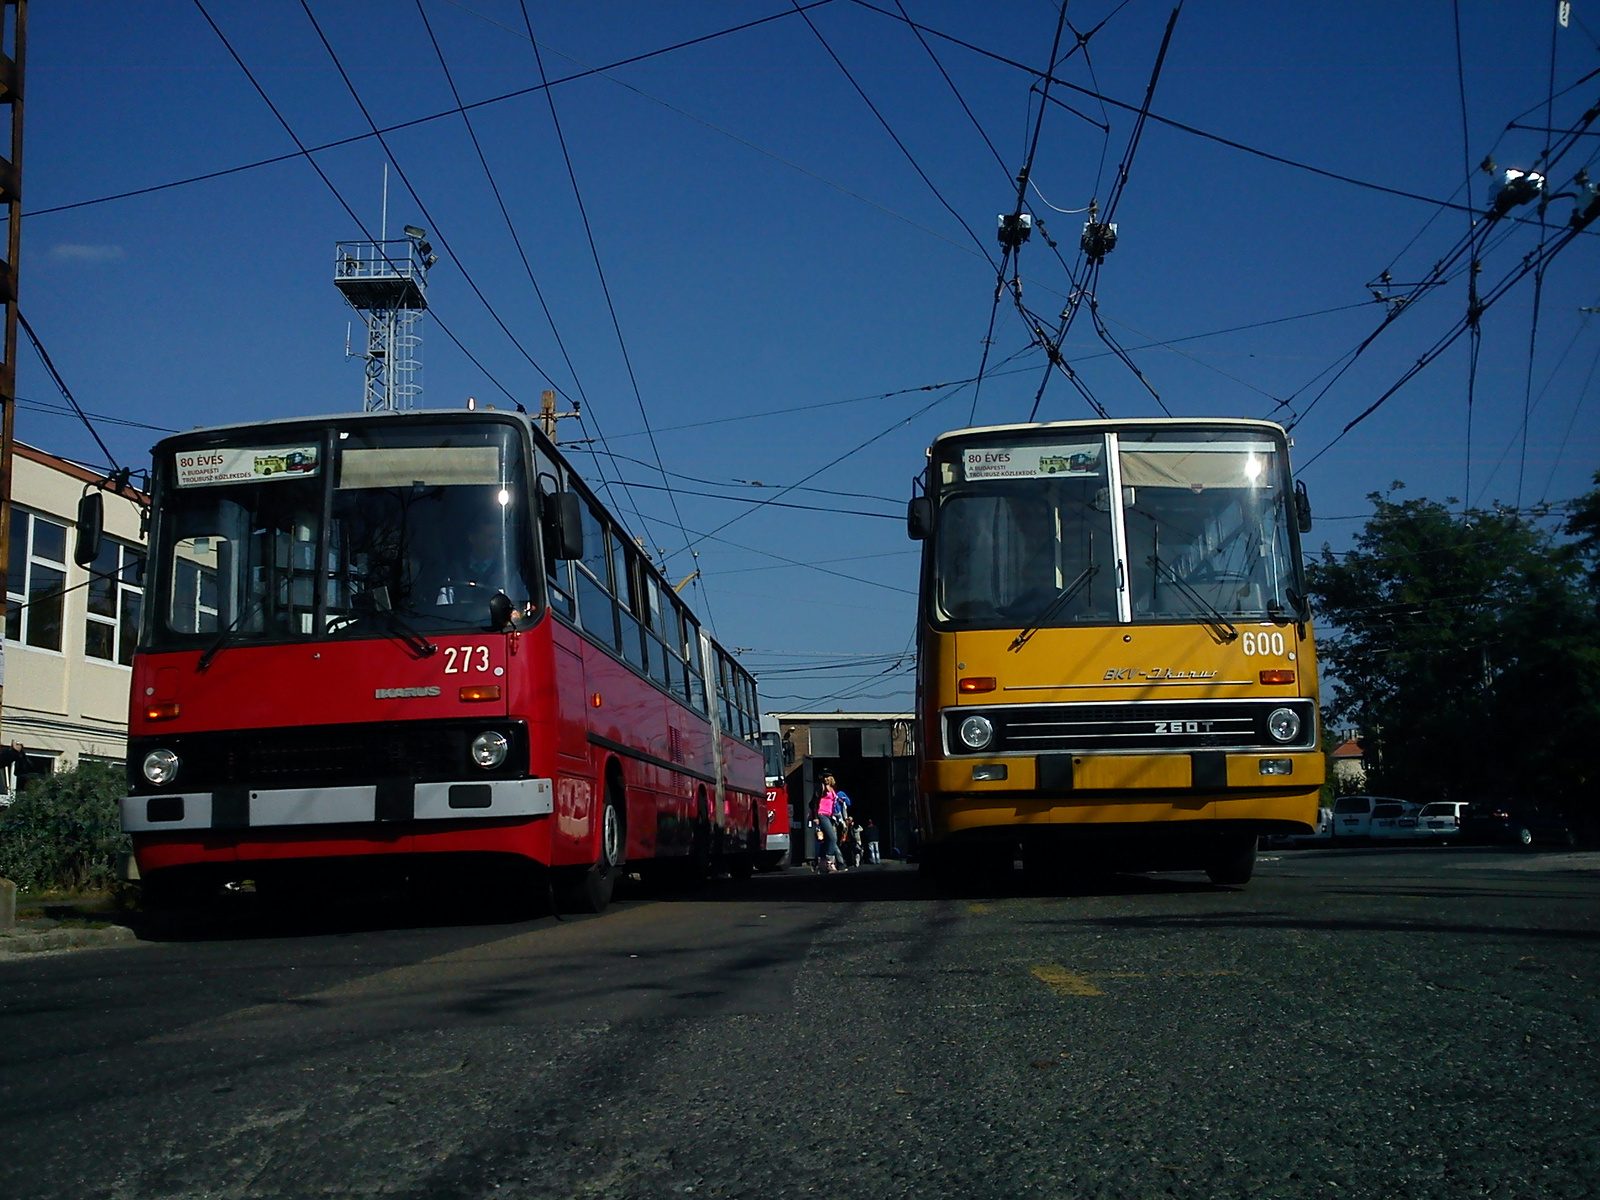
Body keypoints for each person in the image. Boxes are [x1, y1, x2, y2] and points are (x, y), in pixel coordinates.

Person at [812, 771, 842, 873]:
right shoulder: (821, 787)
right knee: (833, 838)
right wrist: (815, 816)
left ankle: (821, 863)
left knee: (827, 840)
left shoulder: (833, 788)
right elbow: (814, 802)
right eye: (824, 777)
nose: (825, 779)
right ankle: (830, 862)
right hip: (822, 814)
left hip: (830, 815)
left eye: (827, 777)